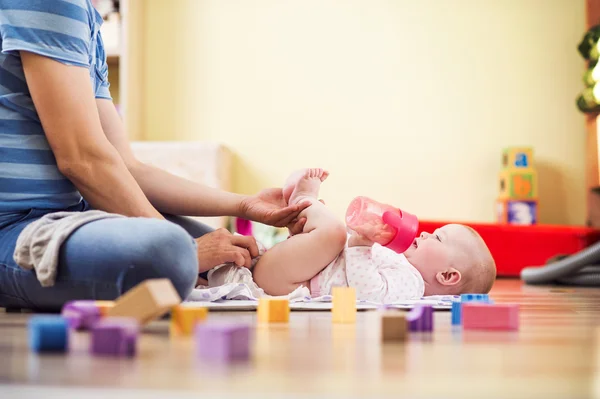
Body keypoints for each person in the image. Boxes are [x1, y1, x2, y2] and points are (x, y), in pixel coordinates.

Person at [0, 0, 309, 311]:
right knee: (171, 252)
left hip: (72, 216)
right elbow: (81, 160)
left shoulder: (86, 19)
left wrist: (245, 204)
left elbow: (126, 167)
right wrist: (189, 250)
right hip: (14, 228)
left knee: (240, 260)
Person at [251, 169, 496, 302]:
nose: (425, 234)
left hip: (291, 283)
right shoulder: (399, 260)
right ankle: (303, 211)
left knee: (332, 233)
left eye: (437, 238)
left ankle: (303, 201)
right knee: (333, 234)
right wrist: (359, 236)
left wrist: (359, 245)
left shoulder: (412, 284)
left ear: (448, 275)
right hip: (295, 270)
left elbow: (369, 294)